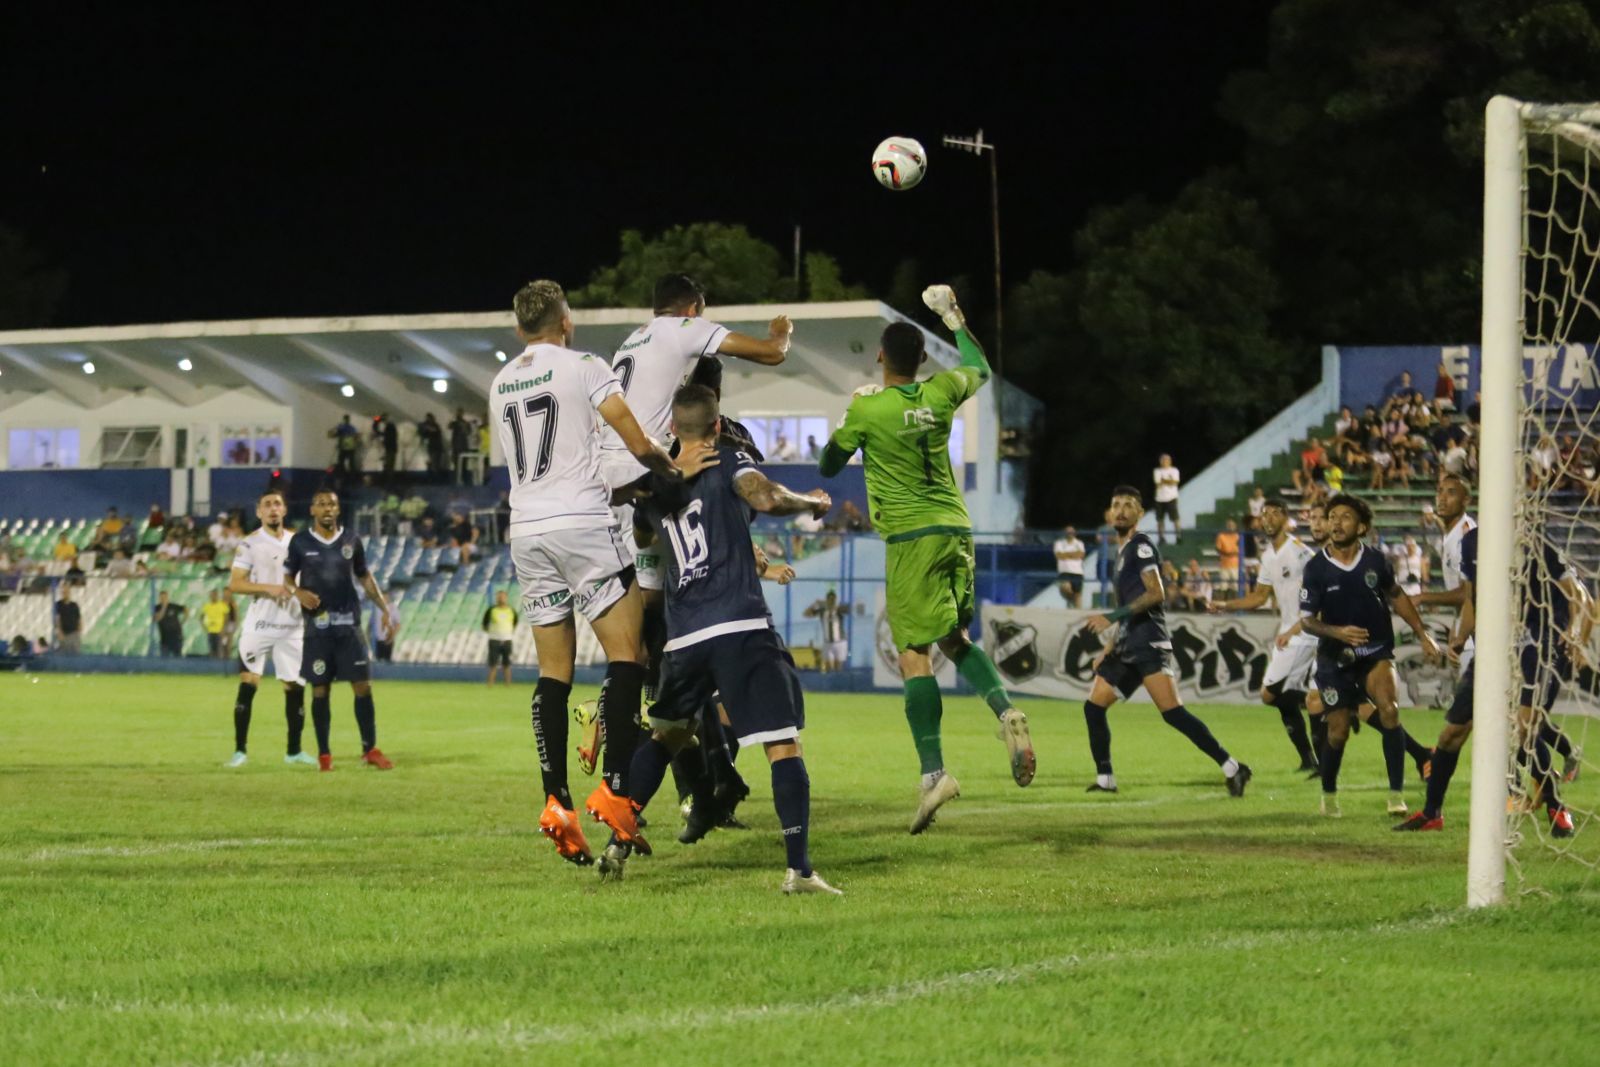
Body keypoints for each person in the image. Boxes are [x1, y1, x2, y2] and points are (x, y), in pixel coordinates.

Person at [820, 284, 1034, 833]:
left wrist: (854, 410)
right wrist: (954, 318)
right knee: (954, 641)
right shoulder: (940, 392)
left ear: (878, 359)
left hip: (911, 540)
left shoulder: (869, 408)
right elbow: (979, 367)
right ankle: (1006, 711)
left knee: (914, 655)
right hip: (957, 531)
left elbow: (826, 465)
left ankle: (933, 774)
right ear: (921, 360)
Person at [494, 279, 683, 868]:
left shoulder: (501, 381)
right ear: (564, 320)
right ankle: (618, 790)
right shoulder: (584, 365)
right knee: (628, 656)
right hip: (582, 521)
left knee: (554, 673)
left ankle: (556, 800)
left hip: (526, 529)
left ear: (522, 327)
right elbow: (630, 430)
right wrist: (666, 466)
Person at [625, 384, 841, 893]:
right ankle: (799, 870)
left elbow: (641, 535)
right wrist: (810, 500)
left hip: (682, 637)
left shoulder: (657, 482)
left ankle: (618, 841)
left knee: (667, 737)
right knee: (783, 745)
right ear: (718, 425)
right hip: (739, 626)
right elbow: (763, 495)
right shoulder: (727, 458)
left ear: (674, 430)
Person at [596, 272, 792, 719]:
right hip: (645, 477)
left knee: (643, 637)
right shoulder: (683, 330)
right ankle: (667, 742)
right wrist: (781, 332)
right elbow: (772, 353)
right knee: (673, 628)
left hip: (614, 485)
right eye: (701, 313)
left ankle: (624, 728)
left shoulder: (630, 343)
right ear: (691, 309)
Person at [1080, 486, 1251, 796]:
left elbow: (1157, 593)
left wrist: (1113, 615)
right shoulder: (1123, 551)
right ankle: (1106, 779)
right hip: (1128, 643)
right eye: (1115, 504)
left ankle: (1233, 767)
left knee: (1172, 713)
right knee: (1093, 707)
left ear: (1140, 514)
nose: (1120, 510)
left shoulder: (1141, 547)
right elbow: (1132, 602)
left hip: (1148, 640)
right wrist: (1108, 648)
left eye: (1128, 505)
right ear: (1108, 513)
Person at [1299, 493, 1440, 817]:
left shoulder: (1376, 561)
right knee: (1338, 731)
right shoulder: (1317, 568)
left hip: (1375, 651)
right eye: (1332, 516)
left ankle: (1395, 795)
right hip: (1335, 658)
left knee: (1389, 711)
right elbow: (1307, 620)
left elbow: (1397, 597)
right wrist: (1338, 632)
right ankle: (1329, 795)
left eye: (1344, 516)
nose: (1335, 522)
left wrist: (1422, 634)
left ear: (1361, 526)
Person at [282, 489, 395, 772]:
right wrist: (298, 592)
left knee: (363, 686)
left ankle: (370, 749)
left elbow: (364, 576)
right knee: (320, 690)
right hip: (317, 630)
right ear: (312, 511)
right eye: (321, 504)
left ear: (338, 509)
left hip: (349, 627)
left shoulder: (351, 540)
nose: (327, 509)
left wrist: (384, 609)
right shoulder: (300, 542)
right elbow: (285, 578)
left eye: (332, 503)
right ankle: (324, 755)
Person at [1208, 497, 1319, 771]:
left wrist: (1300, 625)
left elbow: (1320, 589)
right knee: (1281, 698)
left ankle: (1330, 704)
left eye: (1273, 513)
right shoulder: (1268, 556)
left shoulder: (1300, 552)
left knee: (1270, 694)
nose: (1267, 518)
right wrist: (1226, 605)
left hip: (1306, 631)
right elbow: (1258, 597)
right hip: (1288, 631)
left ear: (1285, 518)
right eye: (1263, 514)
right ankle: (1309, 759)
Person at [225, 490, 316, 766]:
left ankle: (294, 751)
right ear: (259, 513)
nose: (273, 509)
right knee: (249, 682)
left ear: (285, 510)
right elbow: (236, 583)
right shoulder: (249, 544)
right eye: (267, 505)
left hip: (292, 625)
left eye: (277, 504)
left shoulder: (299, 541)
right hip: (260, 624)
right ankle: (240, 751)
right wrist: (269, 588)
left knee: (295, 687)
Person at [804, 589, 851, 672]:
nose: (831, 601)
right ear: (826, 600)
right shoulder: (822, 611)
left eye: (833, 599)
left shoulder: (839, 609)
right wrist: (815, 604)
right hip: (827, 643)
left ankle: (838, 683)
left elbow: (850, 609)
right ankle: (830, 682)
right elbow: (806, 614)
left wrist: (838, 606)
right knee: (828, 667)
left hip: (840, 642)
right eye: (829, 599)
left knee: (838, 668)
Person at [482, 589, 517, 686]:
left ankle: (508, 684)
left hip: (507, 640)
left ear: (506, 598)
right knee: (493, 663)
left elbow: (514, 623)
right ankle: (490, 684)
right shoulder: (491, 610)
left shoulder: (511, 610)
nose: (501, 598)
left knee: (507, 663)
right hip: (494, 640)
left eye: (502, 596)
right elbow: (484, 624)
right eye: (499, 596)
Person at [1053, 525, 1086, 607]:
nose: (1070, 533)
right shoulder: (1059, 543)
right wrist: (1074, 554)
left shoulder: (1079, 543)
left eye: (1071, 532)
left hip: (1077, 572)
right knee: (1065, 588)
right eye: (1068, 532)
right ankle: (1070, 600)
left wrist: (1066, 555)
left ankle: (1078, 612)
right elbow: (1059, 556)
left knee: (1077, 594)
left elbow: (1081, 555)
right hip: (1064, 571)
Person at [1151, 455, 1181, 544]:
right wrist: (1169, 481)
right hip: (1159, 498)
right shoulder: (1157, 471)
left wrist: (1164, 480)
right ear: (1160, 461)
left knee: (1175, 518)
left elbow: (1175, 482)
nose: (1165, 462)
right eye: (1163, 460)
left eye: (1167, 460)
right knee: (1160, 519)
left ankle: (1178, 536)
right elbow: (1157, 483)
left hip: (1171, 497)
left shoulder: (1174, 470)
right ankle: (1161, 538)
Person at [153, 591, 187, 657]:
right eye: (161, 597)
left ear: (167, 598)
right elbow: (158, 618)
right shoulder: (157, 608)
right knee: (164, 659)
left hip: (176, 637)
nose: (163, 599)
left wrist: (183, 621)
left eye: (165, 597)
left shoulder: (173, 606)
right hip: (165, 639)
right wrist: (164, 607)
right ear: (159, 598)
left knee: (177, 657)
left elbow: (185, 609)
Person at [53, 585, 83, 654]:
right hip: (64, 633)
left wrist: (80, 628)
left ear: (69, 593)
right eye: (64, 592)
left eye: (66, 592)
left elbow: (79, 617)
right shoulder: (58, 604)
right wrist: (60, 631)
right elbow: (57, 618)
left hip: (74, 633)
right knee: (64, 653)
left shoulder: (74, 605)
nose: (65, 593)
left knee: (76, 653)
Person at [202, 589, 230, 658]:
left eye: (214, 595)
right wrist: (204, 627)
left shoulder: (222, 605)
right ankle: (212, 665)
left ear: (217, 595)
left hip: (220, 631)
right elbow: (201, 617)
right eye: (212, 595)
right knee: (211, 648)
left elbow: (226, 618)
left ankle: (219, 665)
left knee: (220, 649)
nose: (213, 596)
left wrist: (224, 629)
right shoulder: (207, 606)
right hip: (210, 631)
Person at [1214, 518, 1241, 588]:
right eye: (1229, 525)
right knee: (1223, 587)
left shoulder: (1238, 536)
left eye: (1232, 525)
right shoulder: (1221, 536)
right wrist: (1226, 554)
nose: (1230, 527)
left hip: (1236, 566)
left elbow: (1241, 549)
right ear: (1226, 526)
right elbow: (1217, 549)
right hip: (1224, 566)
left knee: (1235, 588)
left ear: (1235, 526)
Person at [449, 407, 473, 480]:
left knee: (464, 464)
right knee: (456, 464)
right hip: (456, 447)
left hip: (463, 446)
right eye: (458, 412)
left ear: (462, 413)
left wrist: (464, 427)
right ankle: (457, 479)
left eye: (460, 412)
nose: (459, 414)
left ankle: (463, 479)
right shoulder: (454, 422)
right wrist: (453, 418)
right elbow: (449, 426)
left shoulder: (465, 423)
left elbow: (468, 432)